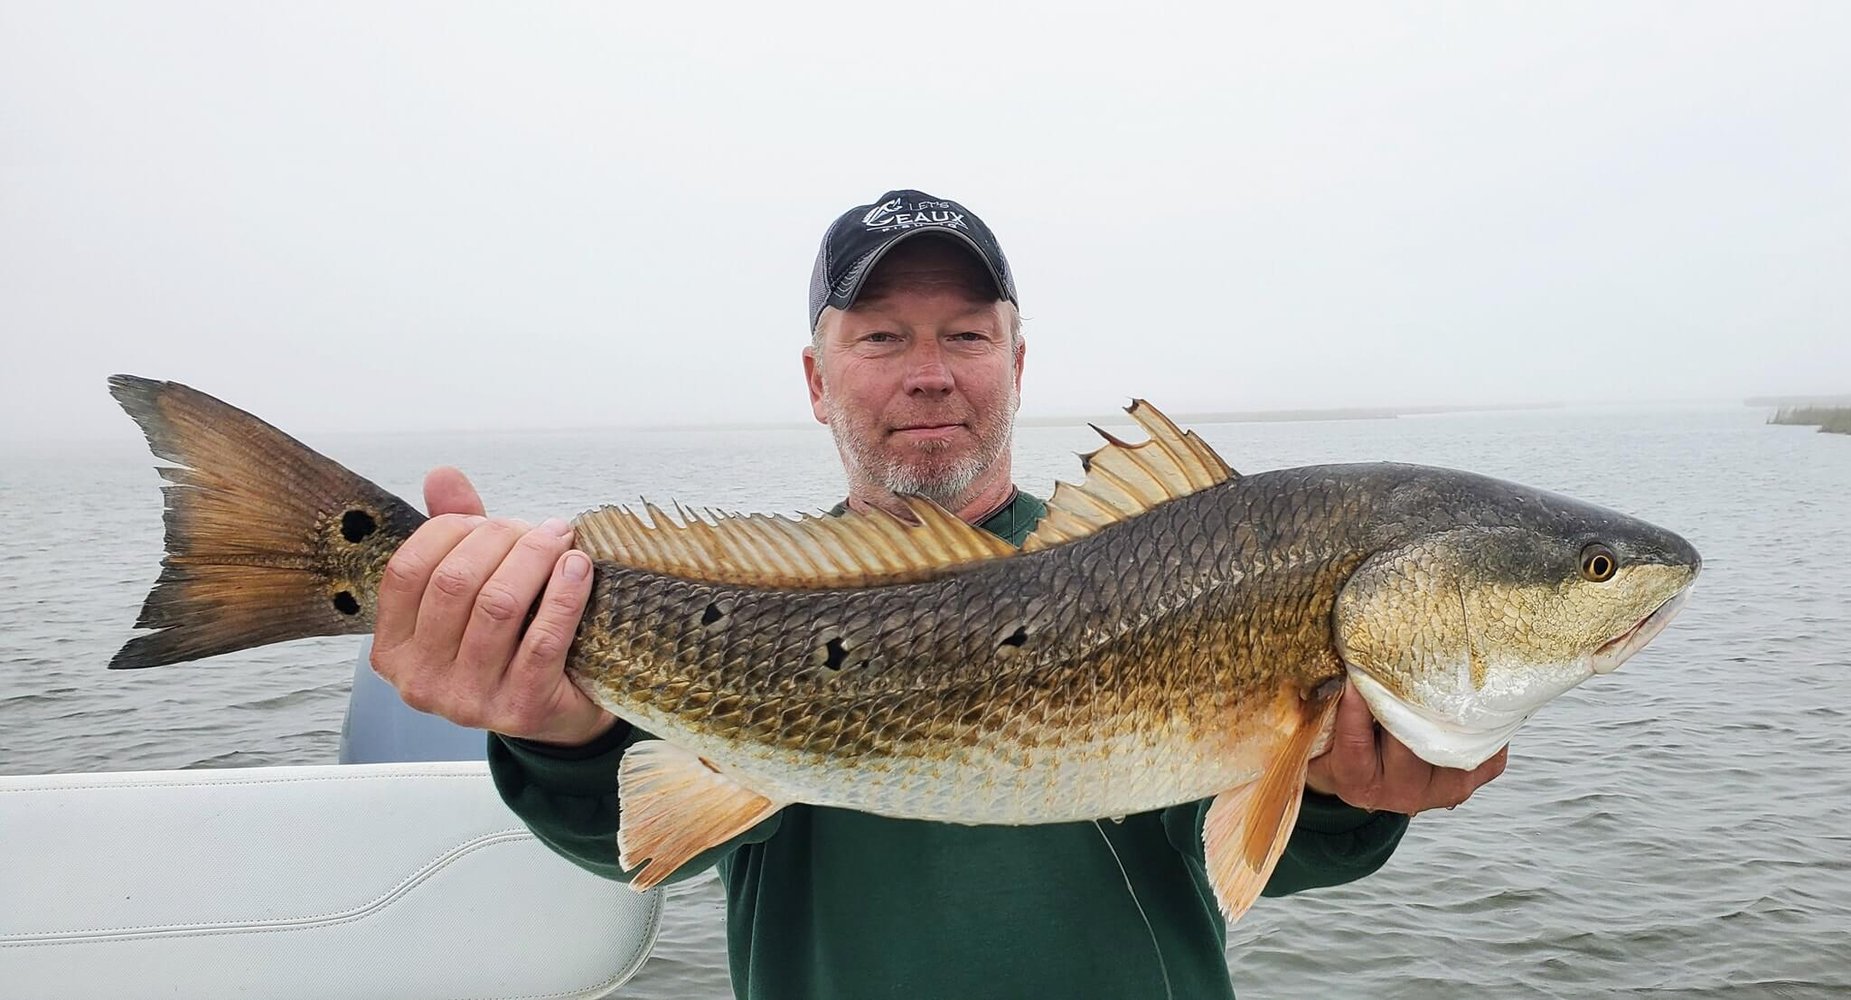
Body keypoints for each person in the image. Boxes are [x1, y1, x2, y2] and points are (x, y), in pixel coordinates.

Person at [369, 190, 1509, 999]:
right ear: (817, 380)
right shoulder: (740, 602)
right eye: (882, 336)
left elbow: (1262, 842)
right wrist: (563, 737)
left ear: (1018, 365)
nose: (929, 369)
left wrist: (1360, 794)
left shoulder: (1176, 562)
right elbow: (640, 835)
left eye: (966, 333)